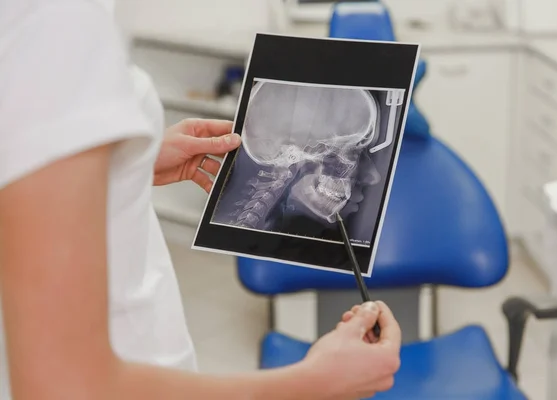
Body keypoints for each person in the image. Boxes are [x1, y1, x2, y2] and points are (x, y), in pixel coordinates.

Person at [0, 0, 402, 399]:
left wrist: (114, 168)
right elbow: (65, 389)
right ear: (287, 155)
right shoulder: (55, 19)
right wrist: (313, 383)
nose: (361, 171)